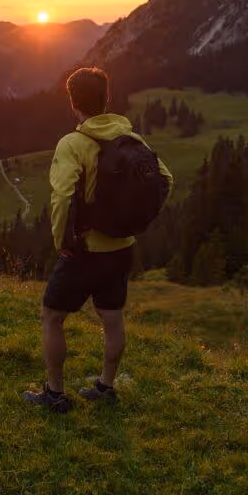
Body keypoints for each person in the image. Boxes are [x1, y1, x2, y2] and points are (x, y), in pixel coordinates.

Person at [23, 68, 173, 413]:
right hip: (122, 249)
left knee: (51, 316)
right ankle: (106, 387)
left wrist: (62, 240)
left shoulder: (73, 144)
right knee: (112, 318)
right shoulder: (132, 139)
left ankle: (54, 394)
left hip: (85, 249)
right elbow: (166, 180)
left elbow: (62, 197)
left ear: (73, 103)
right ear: (107, 98)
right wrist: (138, 219)